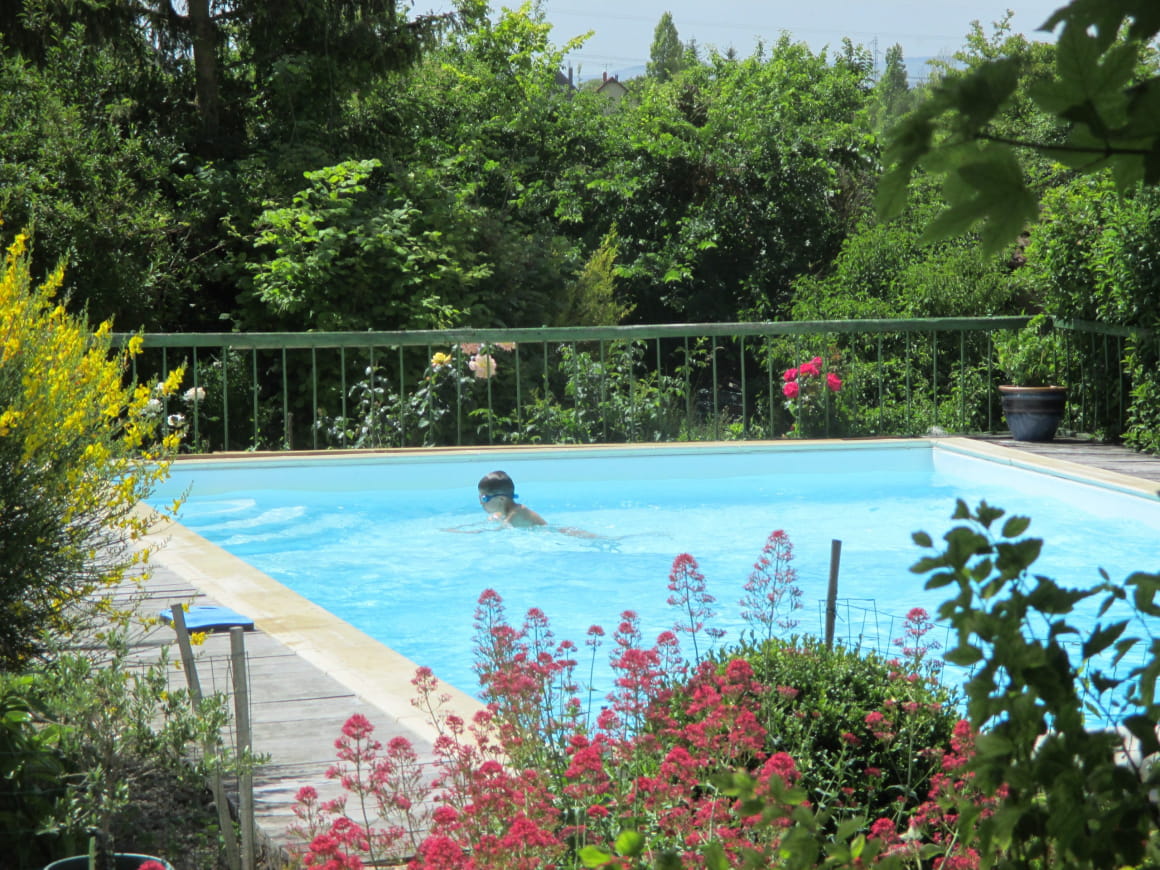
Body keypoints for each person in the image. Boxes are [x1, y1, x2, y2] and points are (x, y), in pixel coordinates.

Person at [477, 470, 547, 528]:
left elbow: (497, 532)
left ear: (501, 499)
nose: (480, 502)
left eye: (484, 498)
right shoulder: (500, 514)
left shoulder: (517, 513)